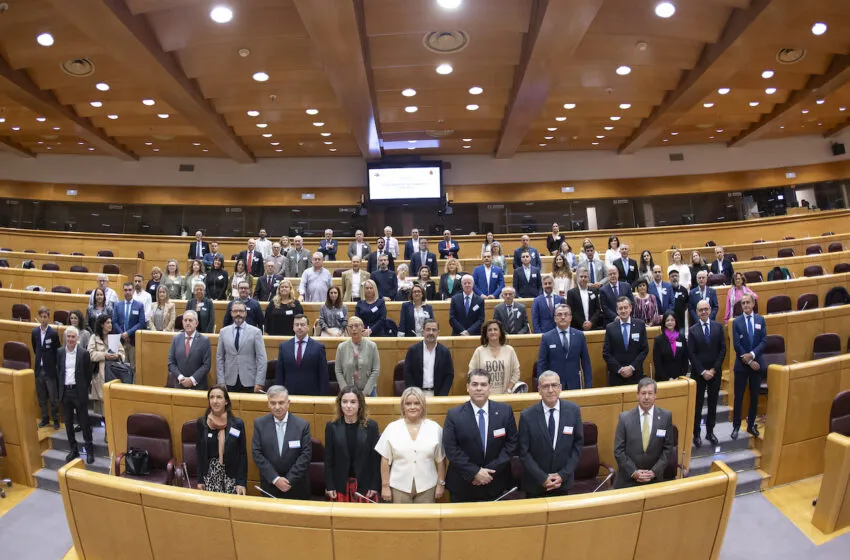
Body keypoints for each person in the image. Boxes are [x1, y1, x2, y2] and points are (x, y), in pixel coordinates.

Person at [442, 370, 518, 502]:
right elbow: (451, 450)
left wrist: (488, 472)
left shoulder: (505, 411)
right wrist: (475, 472)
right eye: (474, 384)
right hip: (464, 485)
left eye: (483, 385)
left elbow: (511, 444)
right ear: (467, 387)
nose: (479, 388)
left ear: (489, 388)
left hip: (496, 482)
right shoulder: (454, 415)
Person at [518, 370, 583, 497]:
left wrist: (563, 475)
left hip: (563, 483)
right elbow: (523, 452)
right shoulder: (527, 416)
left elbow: (578, 446)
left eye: (554, 385)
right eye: (545, 386)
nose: (550, 390)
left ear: (560, 388)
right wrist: (542, 478)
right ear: (539, 390)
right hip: (535, 485)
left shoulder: (573, 411)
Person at [376, 387, 446, 503]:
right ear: (403, 406)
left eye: (417, 403)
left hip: (427, 487)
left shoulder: (435, 428)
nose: (412, 407)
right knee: (401, 521)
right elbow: (385, 459)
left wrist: (441, 483)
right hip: (398, 487)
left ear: (423, 405)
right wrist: (385, 486)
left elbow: (441, 460)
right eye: (408, 403)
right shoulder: (392, 428)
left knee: (425, 521)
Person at [613, 378, 675, 488]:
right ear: (637, 395)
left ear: (655, 395)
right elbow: (618, 450)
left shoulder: (666, 417)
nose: (646, 397)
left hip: (654, 480)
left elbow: (668, 448)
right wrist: (633, 472)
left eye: (650, 393)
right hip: (628, 480)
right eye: (643, 393)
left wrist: (654, 472)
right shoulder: (624, 418)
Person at [252, 385, 312, 499]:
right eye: (273, 403)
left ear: (288, 403)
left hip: (296, 487)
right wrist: (275, 479)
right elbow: (257, 453)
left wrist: (289, 480)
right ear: (268, 403)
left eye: (281, 403)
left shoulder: (302, 425)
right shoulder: (259, 424)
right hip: (270, 485)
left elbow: (305, 456)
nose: (277, 407)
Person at [324, 386, 380, 502]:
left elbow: (375, 459)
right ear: (340, 404)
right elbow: (328, 459)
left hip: (364, 484)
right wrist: (330, 485)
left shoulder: (371, 427)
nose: (348, 406)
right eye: (344, 402)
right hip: (340, 484)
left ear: (360, 404)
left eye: (353, 402)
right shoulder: (332, 426)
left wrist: (374, 485)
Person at [688, 299, 726, 448]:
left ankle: (710, 432)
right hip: (699, 374)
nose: (703, 312)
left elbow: (723, 350)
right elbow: (692, 353)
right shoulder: (692, 330)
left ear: (710, 310)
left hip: (715, 373)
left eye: (706, 309)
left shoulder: (718, 327)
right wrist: (703, 371)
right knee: (697, 406)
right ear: (697, 312)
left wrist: (713, 370)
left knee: (712, 404)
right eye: (700, 310)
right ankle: (696, 434)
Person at [195, 385, 247, 495]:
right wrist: (200, 480)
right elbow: (199, 453)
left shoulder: (237, 424)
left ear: (226, 401)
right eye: (212, 397)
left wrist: (241, 482)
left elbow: (242, 455)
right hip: (210, 475)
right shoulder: (202, 423)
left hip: (231, 476)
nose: (215, 401)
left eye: (219, 397)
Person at [731, 294, 766, 440]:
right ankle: (736, 426)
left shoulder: (760, 320)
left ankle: (751, 424)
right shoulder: (736, 322)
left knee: (754, 396)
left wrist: (752, 355)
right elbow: (737, 345)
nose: (745, 305)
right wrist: (749, 361)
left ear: (753, 304)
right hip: (742, 366)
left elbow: (764, 341)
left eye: (747, 302)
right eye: (743, 303)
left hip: (757, 365)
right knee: (738, 397)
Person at [57, 326, 94, 463]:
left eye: (73, 337)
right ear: (65, 337)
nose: (70, 339)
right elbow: (59, 371)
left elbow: (88, 374)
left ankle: (89, 450)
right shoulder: (60, 352)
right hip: (65, 392)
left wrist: (83, 387)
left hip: (79, 392)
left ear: (77, 338)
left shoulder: (84, 353)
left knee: (84, 423)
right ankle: (74, 450)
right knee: (68, 424)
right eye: (68, 336)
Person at [536, 304, 592, 390]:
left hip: (575, 383)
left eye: (566, 314)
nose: (563, 317)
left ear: (570, 318)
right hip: (553, 385)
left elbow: (586, 363)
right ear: (555, 318)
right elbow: (541, 364)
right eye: (559, 314)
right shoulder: (547, 337)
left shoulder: (579, 335)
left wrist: (588, 385)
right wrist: (542, 385)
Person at [216, 301, 267, 394]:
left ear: (245, 313)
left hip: (250, 381)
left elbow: (262, 359)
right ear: (231, 313)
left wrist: (259, 382)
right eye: (235, 311)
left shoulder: (256, 332)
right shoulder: (223, 332)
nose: (238, 314)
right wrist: (221, 381)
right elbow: (220, 358)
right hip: (229, 381)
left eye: (241, 311)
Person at [275, 314, 329, 395]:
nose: (299, 327)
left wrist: (323, 397)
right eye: (297, 325)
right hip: (289, 394)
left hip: (312, 395)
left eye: (302, 325)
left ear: (308, 327)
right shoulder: (284, 347)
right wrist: (278, 394)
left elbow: (323, 375)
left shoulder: (318, 347)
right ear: (293, 327)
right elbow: (280, 374)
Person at [602, 297, 649, 386]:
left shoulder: (640, 325)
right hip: (616, 376)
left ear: (630, 308)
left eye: (625, 307)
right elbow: (606, 353)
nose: (623, 311)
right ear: (617, 310)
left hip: (636, 374)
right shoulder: (610, 328)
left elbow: (644, 350)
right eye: (620, 308)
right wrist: (620, 369)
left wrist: (632, 367)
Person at [403, 319, 454, 396]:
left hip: (438, 395)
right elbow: (407, 373)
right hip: (417, 395)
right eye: (428, 329)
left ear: (438, 333)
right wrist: (414, 394)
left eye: (434, 330)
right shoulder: (413, 350)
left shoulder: (445, 352)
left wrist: (442, 395)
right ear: (423, 332)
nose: (431, 332)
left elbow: (449, 375)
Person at [468, 320, 520, 394]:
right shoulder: (479, 351)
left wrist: (508, 389)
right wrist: (480, 389)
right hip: (484, 395)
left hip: (505, 395)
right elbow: (471, 373)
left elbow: (516, 373)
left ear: (500, 333)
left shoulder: (509, 350)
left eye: (495, 329)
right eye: (489, 330)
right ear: (486, 334)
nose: (492, 332)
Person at [88, 315, 125, 417]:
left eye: (111, 322)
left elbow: (123, 354)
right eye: (108, 323)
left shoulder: (114, 337)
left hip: (114, 373)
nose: (110, 325)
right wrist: (104, 355)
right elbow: (90, 355)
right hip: (100, 374)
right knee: (104, 406)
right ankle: (106, 430)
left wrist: (117, 355)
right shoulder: (94, 337)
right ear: (101, 324)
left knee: (113, 404)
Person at [335, 317, 380, 396]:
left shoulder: (372, 346)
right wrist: (346, 391)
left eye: (356, 326)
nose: (353, 329)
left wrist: (365, 393)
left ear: (362, 328)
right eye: (351, 326)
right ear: (347, 329)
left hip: (369, 392)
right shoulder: (341, 347)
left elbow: (376, 370)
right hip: (347, 393)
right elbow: (338, 371)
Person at [166, 310, 211, 389]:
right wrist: (181, 378)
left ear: (196, 323)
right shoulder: (176, 339)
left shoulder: (204, 340)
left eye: (190, 320)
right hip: (179, 385)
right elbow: (171, 363)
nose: (187, 323)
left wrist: (192, 380)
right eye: (185, 320)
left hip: (198, 386)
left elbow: (206, 365)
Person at [32, 306, 60, 428]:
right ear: (38, 318)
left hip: (50, 370)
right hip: (39, 369)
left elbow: (57, 351)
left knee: (53, 398)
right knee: (41, 397)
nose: (43, 319)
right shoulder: (35, 332)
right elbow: (34, 348)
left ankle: (56, 419)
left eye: (45, 317)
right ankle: (45, 418)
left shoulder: (53, 333)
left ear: (48, 318)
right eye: (41, 317)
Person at [113, 282, 146, 368]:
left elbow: (141, 323)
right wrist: (122, 334)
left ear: (133, 291)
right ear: (123, 291)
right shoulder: (117, 305)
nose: (127, 292)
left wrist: (128, 333)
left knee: (133, 367)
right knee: (120, 366)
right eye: (125, 290)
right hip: (120, 341)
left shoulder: (139, 305)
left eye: (130, 290)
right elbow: (114, 322)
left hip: (133, 341)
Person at [652, 311, 689, 383]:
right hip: (663, 379)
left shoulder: (681, 338)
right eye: (667, 320)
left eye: (672, 320)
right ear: (664, 323)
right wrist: (667, 379)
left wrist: (681, 376)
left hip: (679, 379)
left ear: (675, 322)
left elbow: (685, 359)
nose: (670, 322)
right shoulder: (658, 340)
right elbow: (657, 363)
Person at [566, 267, 601, 331]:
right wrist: (582, 323)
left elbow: (598, 309)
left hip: (593, 327)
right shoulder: (571, 293)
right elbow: (571, 311)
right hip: (577, 328)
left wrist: (591, 322)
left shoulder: (594, 291)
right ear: (577, 278)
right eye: (581, 276)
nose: (583, 278)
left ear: (588, 278)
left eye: (585, 277)